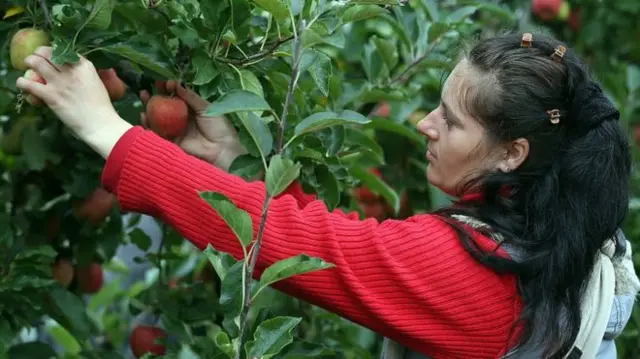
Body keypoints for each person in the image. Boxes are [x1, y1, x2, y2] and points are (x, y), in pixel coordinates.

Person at [15, 32, 640, 359]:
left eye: (450, 120)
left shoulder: (481, 280)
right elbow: (357, 248)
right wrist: (235, 159)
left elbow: (300, 245)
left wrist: (108, 129)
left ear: (512, 155)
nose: (425, 123)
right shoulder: (554, 231)